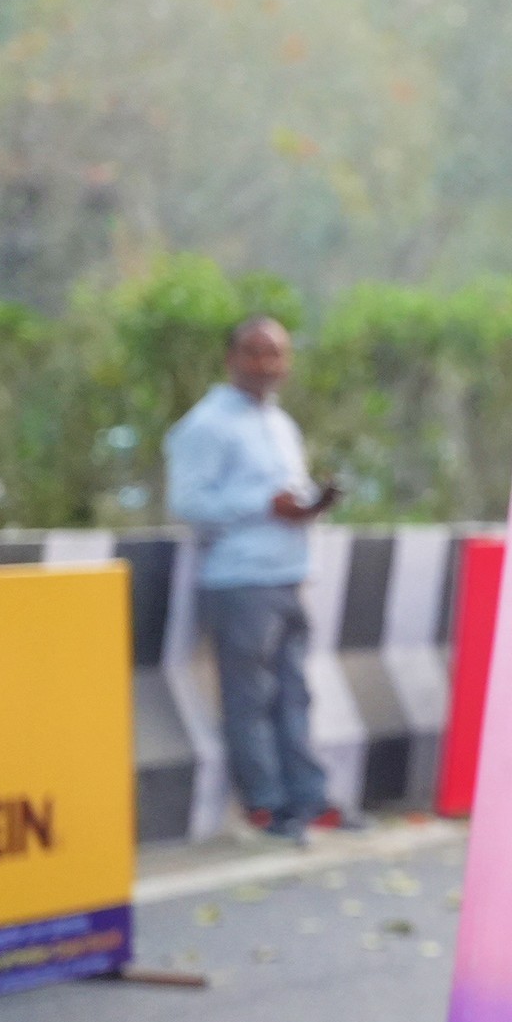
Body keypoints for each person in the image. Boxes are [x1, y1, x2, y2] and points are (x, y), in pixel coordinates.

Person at [165, 315, 344, 841]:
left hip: (289, 573)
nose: (267, 364)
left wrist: (310, 505)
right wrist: (264, 504)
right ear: (232, 359)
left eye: (277, 353)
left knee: (294, 694)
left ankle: (309, 799)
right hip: (239, 578)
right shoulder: (207, 425)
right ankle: (266, 804)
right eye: (255, 352)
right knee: (250, 698)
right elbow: (187, 503)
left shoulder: (280, 424)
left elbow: (285, 495)